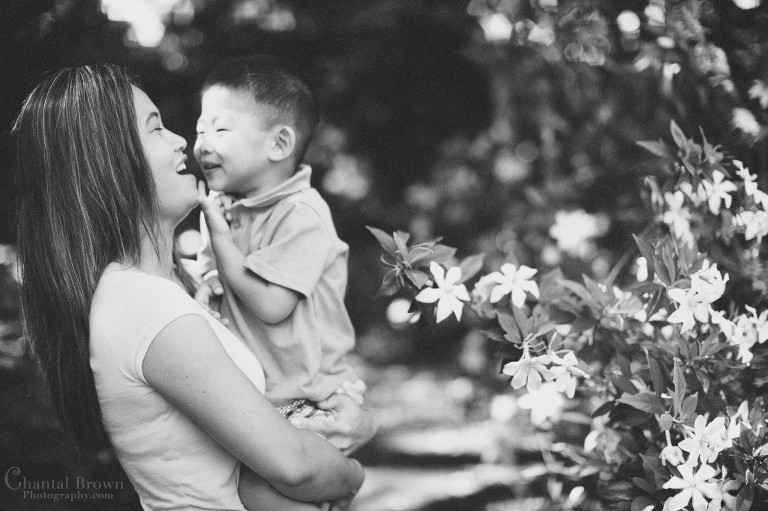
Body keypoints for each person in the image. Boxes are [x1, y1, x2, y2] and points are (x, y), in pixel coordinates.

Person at [12, 64, 374, 511]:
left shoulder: (154, 293)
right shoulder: (144, 304)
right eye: (155, 128)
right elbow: (296, 465)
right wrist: (353, 478)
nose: (184, 140)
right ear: (111, 164)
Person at [193, 55, 367, 511]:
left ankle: (340, 486)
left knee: (256, 491)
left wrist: (220, 241)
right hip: (268, 402)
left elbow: (272, 305)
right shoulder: (234, 209)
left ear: (279, 144)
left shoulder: (302, 214)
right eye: (199, 130)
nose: (202, 143)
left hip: (313, 400)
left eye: (220, 129)